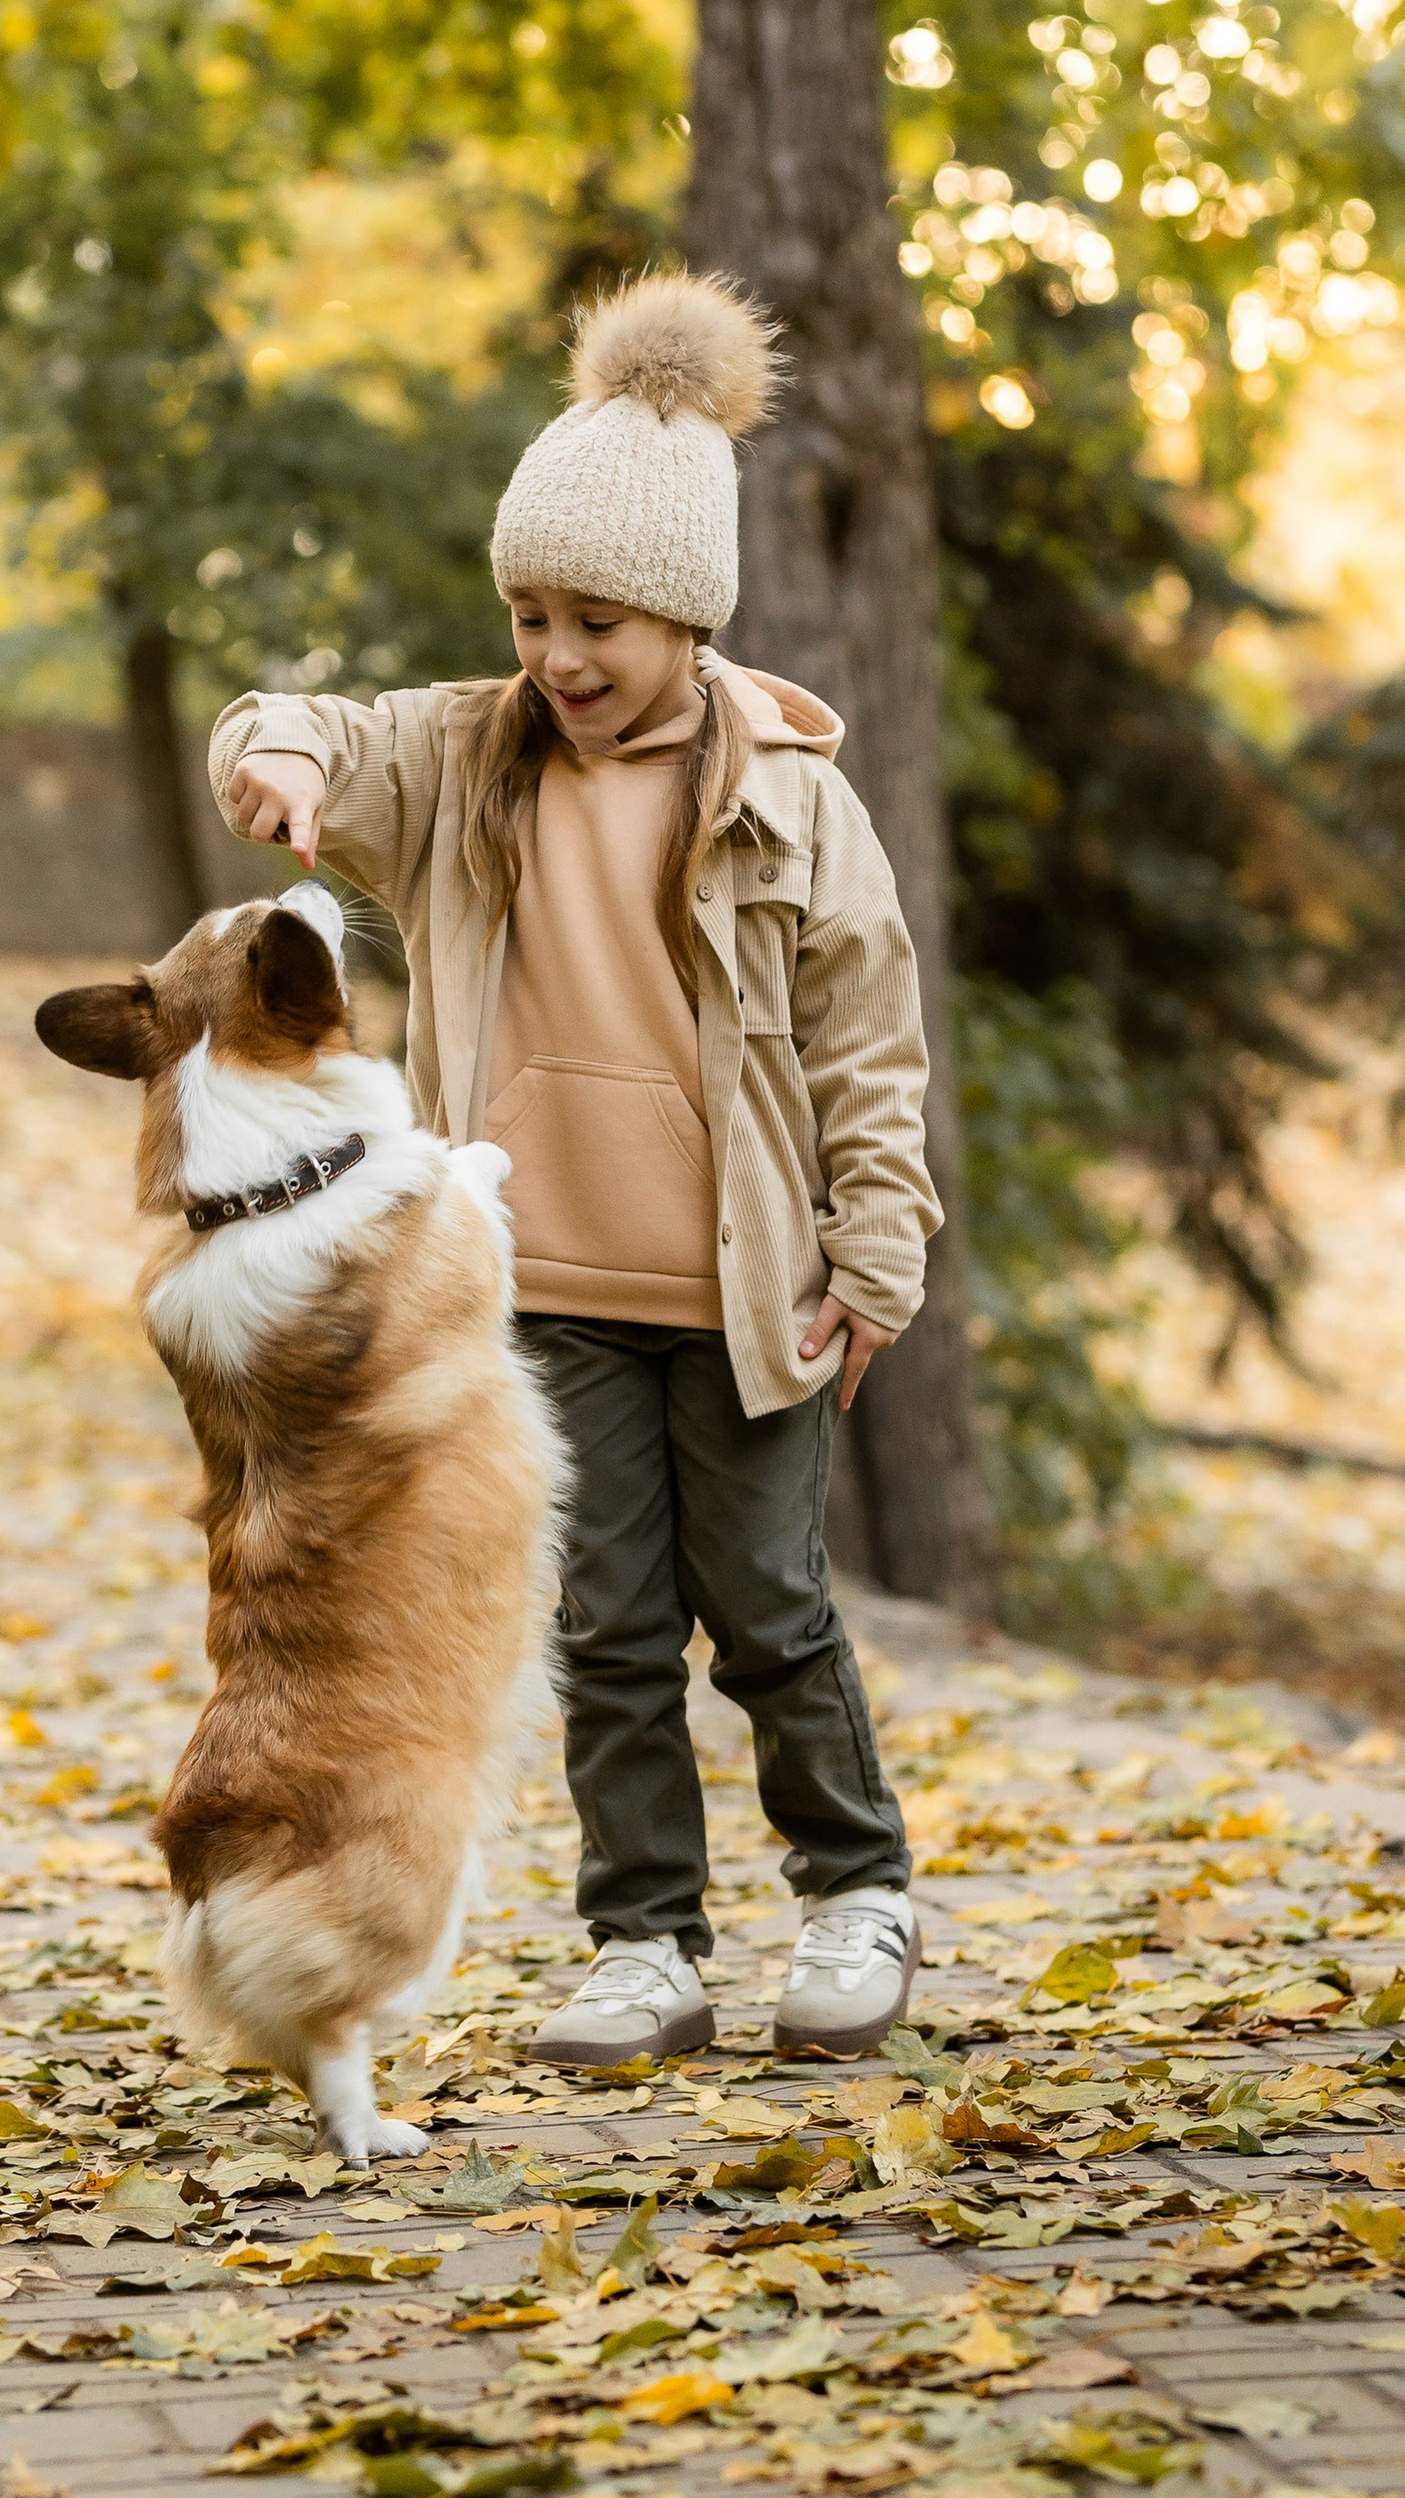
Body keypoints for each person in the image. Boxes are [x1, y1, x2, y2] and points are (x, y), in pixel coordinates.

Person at [206, 270, 938, 2064]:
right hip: (551, 1301)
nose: (559, 656)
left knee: (766, 1609)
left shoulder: (791, 801)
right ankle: (647, 1942)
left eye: (596, 620)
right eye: (531, 614)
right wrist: (284, 761)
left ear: (687, 616)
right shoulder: (470, 760)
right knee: (608, 1624)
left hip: (748, 1286)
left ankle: (857, 1898)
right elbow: (295, 722)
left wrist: (880, 1244)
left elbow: (867, 1043)